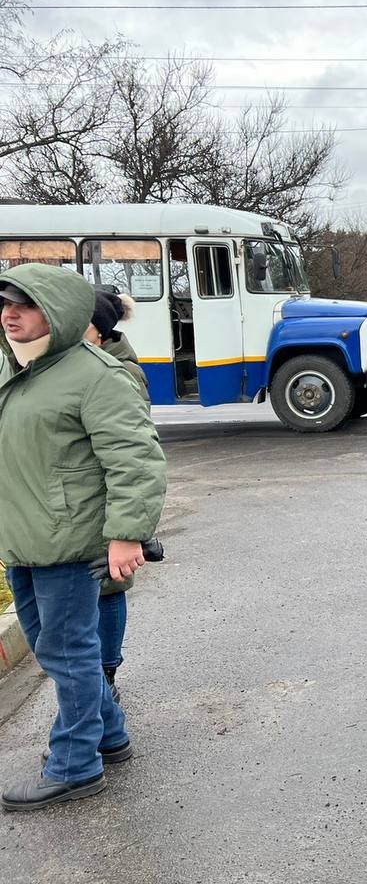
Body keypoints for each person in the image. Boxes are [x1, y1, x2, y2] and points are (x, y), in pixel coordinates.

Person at [0, 264, 167, 812]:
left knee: (68, 653)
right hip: (24, 539)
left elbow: (135, 460)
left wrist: (127, 536)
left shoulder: (96, 375)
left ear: (60, 312)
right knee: (55, 649)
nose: (9, 315)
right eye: (5, 304)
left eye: (24, 305)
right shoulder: (18, 368)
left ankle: (75, 765)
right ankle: (110, 734)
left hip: (71, 543)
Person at [83, 287, 150, 701]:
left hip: (103, 499)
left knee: (109, 587)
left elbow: (136, 449)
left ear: (100, 330)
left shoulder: (120, 372)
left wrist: (128, 525)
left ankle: (106, 673)